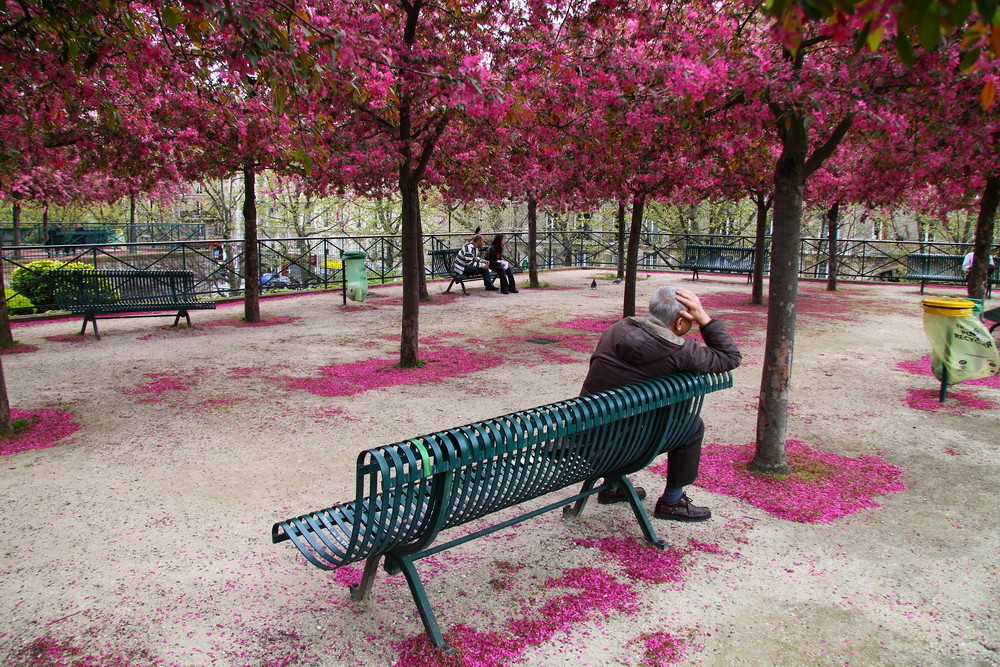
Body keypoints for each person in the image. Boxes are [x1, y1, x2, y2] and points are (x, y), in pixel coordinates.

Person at [581, 286, 742, 522]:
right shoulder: (681, 352)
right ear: (679, 323)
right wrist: (704, 319)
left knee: (620, 412)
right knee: (691, 427)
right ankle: (672, 502)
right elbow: (730, 357)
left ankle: (612, 486)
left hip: (584, 435)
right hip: (621, 448)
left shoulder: (616, 328)